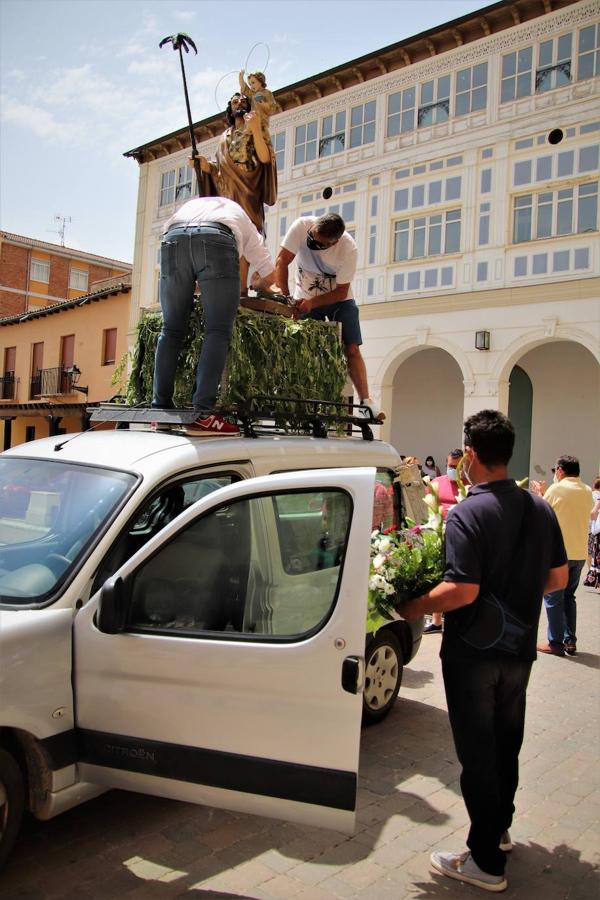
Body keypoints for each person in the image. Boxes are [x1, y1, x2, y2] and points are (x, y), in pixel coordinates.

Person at [397, 409, 567, 893]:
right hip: (518, 653)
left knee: (477, 754)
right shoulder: (539, 508)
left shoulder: (469, 512)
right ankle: (500, 829)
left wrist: (413, 604)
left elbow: (461, 591)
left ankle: (486, 862)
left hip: (472, 654)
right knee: (506, 743)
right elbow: (557, 579)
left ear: (470, 453)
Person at [152, 196, 278, 437]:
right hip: (217, 240)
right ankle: (202, 414)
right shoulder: (244, 219)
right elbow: (269, 274)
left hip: (173, 238)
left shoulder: (195, 205)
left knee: (170, 329)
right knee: (217, 330)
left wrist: (196, 281)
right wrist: (257, 282)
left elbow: (188, 252)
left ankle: (160, 411)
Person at [276, 213, 384, 420]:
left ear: (333, 242)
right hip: (304, 297)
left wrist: (313, 303)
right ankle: (302, 397)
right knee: (307, 348)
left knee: (352, 348)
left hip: (338, 300)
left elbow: (341, 291)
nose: (312, 244)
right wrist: (286, 298)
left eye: (319, 244)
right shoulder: (301, 226)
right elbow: (281, 261)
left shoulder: (348, 249)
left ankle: (366, 402)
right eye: (312, 237)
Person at [196, 92, 277, 292]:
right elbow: (220, 168)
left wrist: (256, 130)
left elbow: (265, 158)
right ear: (230, 109)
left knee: (245, 238)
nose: (239, 103)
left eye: (243, 101)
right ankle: (226, 286)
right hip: (227, 194)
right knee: (226, 237)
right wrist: (205, 166)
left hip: (248, 190)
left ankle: (239, 289)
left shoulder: (256, 127)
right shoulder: (224, 136)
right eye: (234, 101)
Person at [532, 456, 594, 655]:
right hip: (579, 553)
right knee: (569, 597)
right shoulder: (587, 491)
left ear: (560, 470)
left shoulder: (556, 489)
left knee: (553, 597)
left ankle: (555, 643)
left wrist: (540, 493)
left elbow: (543, 511)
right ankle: (570, 640)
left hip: (559, 554)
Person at [423, 449, 465, 634]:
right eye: (450, 466)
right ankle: (436, 620)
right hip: (439, 534)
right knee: (438, 576)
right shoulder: (437, 483)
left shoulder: (470, 485)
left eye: (457, 466)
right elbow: (427, 506)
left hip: (462, 539)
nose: (453, 470)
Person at [238, 70, 278, 139]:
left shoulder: (267, 93)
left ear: (260, 82)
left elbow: (272, 108)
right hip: (253, 118)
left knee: (253, 117)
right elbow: (244, 87)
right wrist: (241, 76)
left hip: (262, 119)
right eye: (250, 84)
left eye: (253, 83)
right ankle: (249, 130)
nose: (251, 86)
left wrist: (262, 103)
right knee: (247, 116)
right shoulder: (252, 94)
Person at [583, 476, 600, 591]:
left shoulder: (592, 495)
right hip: (595, 528)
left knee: (591, 553)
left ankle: (593, 576)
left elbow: (592, 513)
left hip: (593, 529)